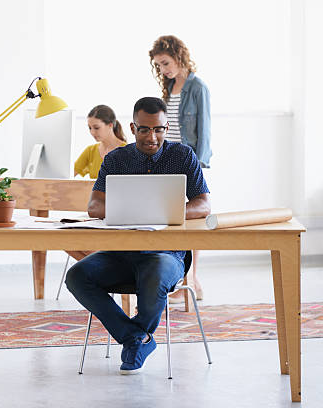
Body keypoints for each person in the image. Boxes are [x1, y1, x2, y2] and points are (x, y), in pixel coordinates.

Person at [65, 97, 210, 374]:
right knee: (77, 276)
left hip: (166, 254)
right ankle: (136, 337)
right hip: (121, 254)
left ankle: (135, 340)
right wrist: (134, 211)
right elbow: (94, 206)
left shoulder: (183, 156)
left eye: (158, 129)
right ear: (132, 128)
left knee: (155, 270)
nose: (152, 137)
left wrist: (162, 213)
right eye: (144, 129)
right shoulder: (117, 159)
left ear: (166, 127)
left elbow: (204, 205)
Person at [149, 35, 212, 301]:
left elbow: (204, 130)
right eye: (159, 65)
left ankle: (192, 278)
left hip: (189, 161)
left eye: (166, 63)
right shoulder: (170, 86)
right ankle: (177, 277)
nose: (163, 69)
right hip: (168, 160)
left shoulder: (198, 87)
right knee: (171, 218)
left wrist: (198, 164)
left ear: (179, 56)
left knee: (192, 219)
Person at [68, 105, 127, 261]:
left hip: (119, 215)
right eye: (89, 128)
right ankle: (108, 269)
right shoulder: (90, 151)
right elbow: (68, 174)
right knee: (63, 238)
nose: (92, 133)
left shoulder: (127, 151)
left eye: (96, 128)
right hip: (95, 215)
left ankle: (109, 268)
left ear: (110, 125)